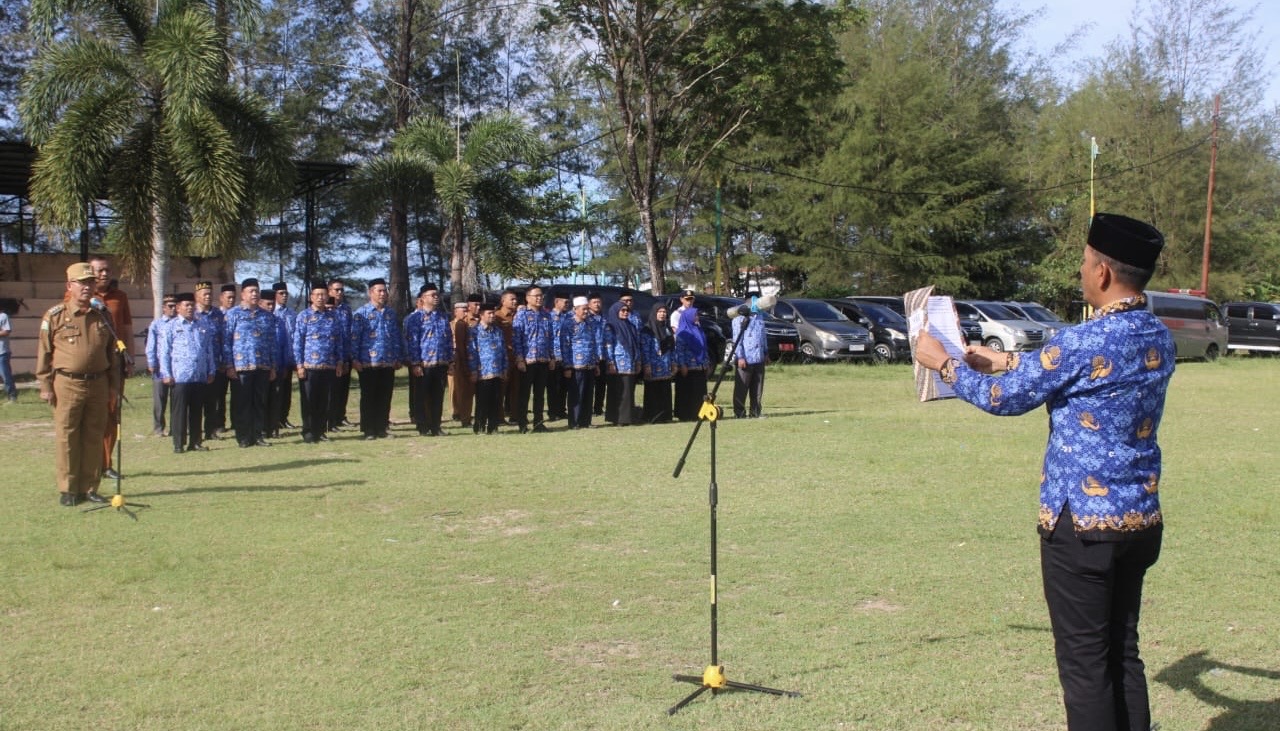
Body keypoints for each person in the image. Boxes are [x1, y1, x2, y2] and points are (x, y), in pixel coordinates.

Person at [913, 212, 1174, 731]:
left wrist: (943, 363)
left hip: (1082, 526)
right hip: (1140, 518)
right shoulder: (1157, 334)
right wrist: (1004, 360)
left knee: (1085, 665)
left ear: (1102, 272)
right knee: (1122, 652)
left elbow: (1003, 399)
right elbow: (1074, 374)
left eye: (1084, 262)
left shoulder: (1083, 341)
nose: (1081, 271)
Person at [36, 263, 123, 505]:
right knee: (68, 437)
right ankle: (69, 489)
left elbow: (112, 353)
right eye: (82, 282)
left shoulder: (103, 315)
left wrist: (114, 385)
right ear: (69, 285)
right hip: (67, 383)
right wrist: (45, 385)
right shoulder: (55, 316)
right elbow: (44, 352)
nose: (87, 287)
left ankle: (90, 487)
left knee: (94, 435)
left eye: (91, 282)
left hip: (98, 383)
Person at [89, 254, 133, 480]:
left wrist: (130, 357)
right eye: (99, 270)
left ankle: (106, 464)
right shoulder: (80, 296)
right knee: (92, 415)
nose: (104, 274)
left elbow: (127, 328)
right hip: (92, 364)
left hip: (115, 362)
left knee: (112, 413)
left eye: (107, 270)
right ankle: (90, 463)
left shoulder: (120, 297)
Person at [222, 278, 278, 448]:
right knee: (242, 403)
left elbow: (272, 342)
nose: (254, 294)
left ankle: (258, 435)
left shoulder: (267, 316)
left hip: (262, 365)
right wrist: (229, 365)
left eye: (256, 291)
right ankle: (243, 436)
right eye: (251, 291)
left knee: (259, 402)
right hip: (241, 366)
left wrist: (273, 366)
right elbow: (226, 342)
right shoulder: (233, 314)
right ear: (243, 294)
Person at [159, 293, 216, 453]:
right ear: (178, 308)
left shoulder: (202, 325)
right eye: (186, 305)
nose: (190, 308)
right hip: (180, 376)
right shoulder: (171, 326)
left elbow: (208, 349)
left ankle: (195, 442)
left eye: (192, 305)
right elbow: (164, 352)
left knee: (197, 411)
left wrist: (211, 369)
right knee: (179, 412)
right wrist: (166, 373)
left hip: (199, 375)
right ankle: (178, 443)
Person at [293, 282, 346, 444]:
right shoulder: (304, 316)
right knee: (309, 400)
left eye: (323, 294)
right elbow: (298, 342)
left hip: (328, 365)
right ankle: (308, 431)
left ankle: (320, 431)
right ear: (311, 297)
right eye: (317, 295)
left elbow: (339, 341)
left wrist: (340, 361)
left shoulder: (333, 317)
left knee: (324, 401)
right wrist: (299, 365)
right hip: (310, 366)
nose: (321, 298)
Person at [351, 278, 401, 440]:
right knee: (369, 397)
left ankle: (382, 428)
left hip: (387, 361)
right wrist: (354, 359)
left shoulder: (390, 313)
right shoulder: (361, 314)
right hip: (368, 362)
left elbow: (395, 336)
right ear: (370, 293)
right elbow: (355, 338)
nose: (382, 294)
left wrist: (397, 356)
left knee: (385, 397)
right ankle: (369, 430)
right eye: (379, 291)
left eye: (384, 290)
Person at [405, 282, 453, 437]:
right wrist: (415, 363)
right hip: (424, 364)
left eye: (437, 295)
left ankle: (436, 426)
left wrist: (450, 361)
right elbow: (412, 342)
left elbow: (448, 340)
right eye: (432, 295)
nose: (436, 297)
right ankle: (423, 426)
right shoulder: (415, 318)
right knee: (421, 396)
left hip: (440, 362)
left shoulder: (443, 317)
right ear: (423, 298)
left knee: (437, 396)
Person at [512, 284, 555, 433]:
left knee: (540, 394)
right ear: (527, 298)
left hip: (543, 360)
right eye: (536, 296)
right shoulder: (521, 315)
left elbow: (551, 338)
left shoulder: (546, 315)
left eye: (541, 296)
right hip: (527, 361)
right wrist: (519, 359)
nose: (539, 298)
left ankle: (539, 422)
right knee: (524, 394)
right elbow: (516, 339)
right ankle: (523, 423)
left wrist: (552, 357)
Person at [557, 296, 601, 429]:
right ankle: (574, 422)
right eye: (583, 309)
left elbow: (594, 343)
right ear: (575, 309)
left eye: (587, 309)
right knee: (576, 394)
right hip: (576, 365)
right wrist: (567, 366)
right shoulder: (568, 324)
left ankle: (586, 421)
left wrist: (596, 363)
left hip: (590, 364)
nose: (586, 312)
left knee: (588, 394)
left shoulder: (590, 323)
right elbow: (565, 346)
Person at [193, 281, 226, 441]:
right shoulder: (192, 314)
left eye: (210, 294)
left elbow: (224, 338)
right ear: (196, 296)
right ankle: (195, 432)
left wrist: (224, 360)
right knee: (196, 400)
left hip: (215, 364)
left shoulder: (218, 314)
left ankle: (210, 430)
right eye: (204, 294)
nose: (208, 297)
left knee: (213, 401)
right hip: (197, 365)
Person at [468, 302, 507, 434]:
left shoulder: (498, 331)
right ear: (481, 315)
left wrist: (505, 368)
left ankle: (493, 427)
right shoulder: (474, 331)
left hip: (497, 371)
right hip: (483, 371)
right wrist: (473, 370)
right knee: (482, 401)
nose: (492, 316)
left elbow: (503, 350)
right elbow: (472, 352)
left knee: (496, 401)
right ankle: (479, 427)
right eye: (489, 313)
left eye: (493, 313)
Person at [603, 300, 643, 425]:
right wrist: (610, 363)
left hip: (630, 363)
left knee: (628, 391)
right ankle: (617, 418)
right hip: (618, 364)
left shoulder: (631, 326)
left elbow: (635, 345)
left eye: (627, 310)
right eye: (623, 310)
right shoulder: (611, 326)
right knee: (618, 391)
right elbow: (609, 346)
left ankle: (627, 417)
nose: (626, 313)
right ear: (616, 311)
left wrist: (638, 361)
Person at [731, 295, 769, 418]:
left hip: (758, 358)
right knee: (741, 388)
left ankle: (755, 412)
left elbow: (763, 336)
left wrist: (766, 353)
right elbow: (737, 339)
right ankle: (739, 413)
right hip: (746, 358)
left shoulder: (759, 316)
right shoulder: (739, 318)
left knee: (757, 388)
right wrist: (740, 357)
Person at [145, 294, 178, 435]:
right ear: (164, 308)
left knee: (176, 399)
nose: (173, 309)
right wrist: (151, 362)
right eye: (170, 306)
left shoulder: (180, 323)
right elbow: (150, 345)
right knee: (160, 399)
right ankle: (159, 428)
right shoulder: (156, 324)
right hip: (160, 367)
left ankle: (176, 427)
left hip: (177, 366)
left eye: (175, 306)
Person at [673, 305, 710, 421]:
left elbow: (704, 348)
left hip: (700, 366)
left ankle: (700, 413)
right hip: (688, 368)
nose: (697, 317)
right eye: (695, 315)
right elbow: (679, 351)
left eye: (697, 315)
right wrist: (682, 365)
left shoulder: (699, 329)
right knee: (687, 392)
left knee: (699, 392)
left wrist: (706, 363)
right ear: (688, 316)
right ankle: (686, 414)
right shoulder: (682, 332)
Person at [327, 278, 355, 430]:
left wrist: (349, 356)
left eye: (341, 290)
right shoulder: (327, 308)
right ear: (329, 291)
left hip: (345, 353)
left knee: (343, 388)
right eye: (336, 290)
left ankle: (340, 416)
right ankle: (330, 419)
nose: (339, 292)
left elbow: (350, 332)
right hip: (331, 356)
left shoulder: (346, 309)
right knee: (332, 389)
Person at [641, 302, 676, 424]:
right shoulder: (647, 330)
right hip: (653, 365)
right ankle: (652, 416)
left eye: (664, 312)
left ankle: (665, 416)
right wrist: (646, 365)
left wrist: (673, 363)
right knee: (653, 392)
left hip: (665, 366)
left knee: (665, 391)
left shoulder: (667, 329)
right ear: (654, 313)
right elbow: (645, 349)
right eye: (659, 312)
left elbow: (672, 347)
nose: (662, 314)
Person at [272, 282, 297, 430]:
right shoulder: (271, 312)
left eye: (286, 293)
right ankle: (274, 419)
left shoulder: (291, 314)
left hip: (288, 357)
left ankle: (283, 418)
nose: (284, 296)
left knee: (286, 391)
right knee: (275, 391)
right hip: (275, 358)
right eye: (281, 293)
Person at [449, 297, 478, 428]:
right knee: (457, 389)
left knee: (466, 390)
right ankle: (458, 413)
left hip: (470, 358)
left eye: (467, 310)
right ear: (456, 312)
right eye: (463, 310)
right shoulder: (454, 325)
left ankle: (465, 414)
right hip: (456, 359)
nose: (466, 313)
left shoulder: (472, 324)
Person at [545, 290, 572, 421]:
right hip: (554, 356)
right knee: (553, 387)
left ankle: (561, 410)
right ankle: (552, 412)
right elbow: (550, 338)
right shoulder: (549, 317)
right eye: (565, 302)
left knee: (564, 386)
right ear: (556, 302)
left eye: (568, 302)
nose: (567, 304)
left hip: (566, 356)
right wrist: (551, 356)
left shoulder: (568, 317)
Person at [0, 304, 16, 403]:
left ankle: (12, 396)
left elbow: (6, 331)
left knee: (5, 375)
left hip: (2, 352)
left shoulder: (3, 316)